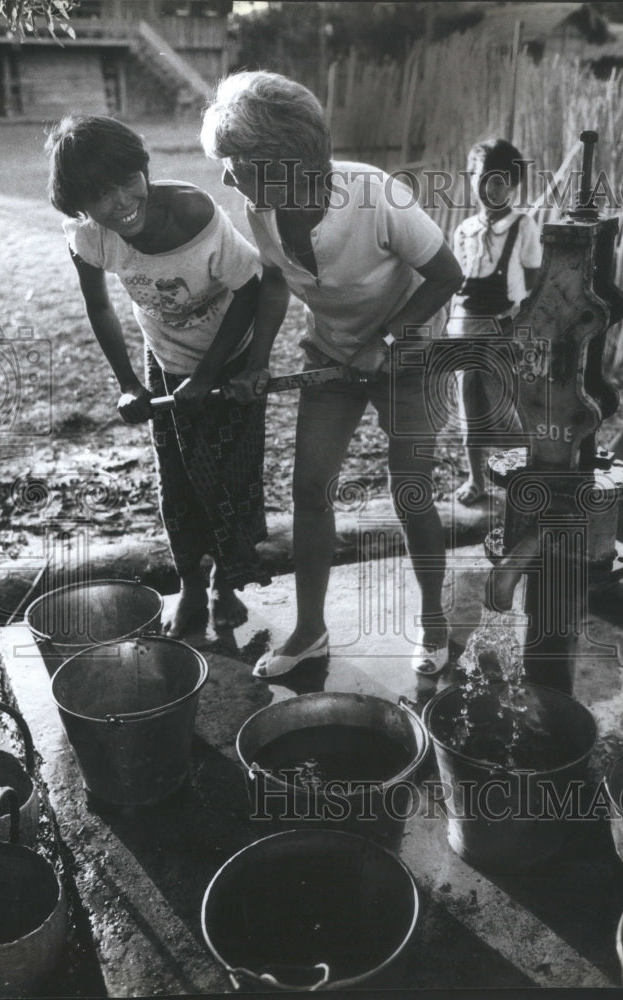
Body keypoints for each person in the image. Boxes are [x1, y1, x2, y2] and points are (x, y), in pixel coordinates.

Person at [200, 71, 463, 677]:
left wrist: (388, 341)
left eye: (232, 162)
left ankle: (434, 622)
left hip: (412, 356)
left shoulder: (374, 195)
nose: (224, 177)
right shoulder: (261, 205)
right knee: (309, 488)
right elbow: (273, 282)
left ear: (276, 162)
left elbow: (450, 276)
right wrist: (260, 360)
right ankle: (311, 630)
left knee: (411, 489)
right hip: (332, 354)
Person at [45, 115, 287, 638]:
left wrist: (209, 376)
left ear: (144, 168)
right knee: (177, 482)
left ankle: (226, 582)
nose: (121, 202)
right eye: (99, 195)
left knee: (232, 476)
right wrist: (129, 383)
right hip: (166, 361)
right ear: (80, 206)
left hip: (231, 359)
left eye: (127, 179)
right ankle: (192, 587)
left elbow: (250, 288)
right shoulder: (90, 238)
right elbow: (101, 307)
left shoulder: (192, 212)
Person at [449, 138, 542, 505]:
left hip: (503, 329)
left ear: (514, 185)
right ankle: (476, 480)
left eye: (501, 180)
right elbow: (455, 284)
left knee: (504, 408)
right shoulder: (464, 230)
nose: (491, 187)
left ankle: (518, 481)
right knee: (468, 405)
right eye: (482, 177)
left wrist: (522, 327)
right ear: (472, 178)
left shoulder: (523, 226)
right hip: (463, 329)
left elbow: (533, 283)